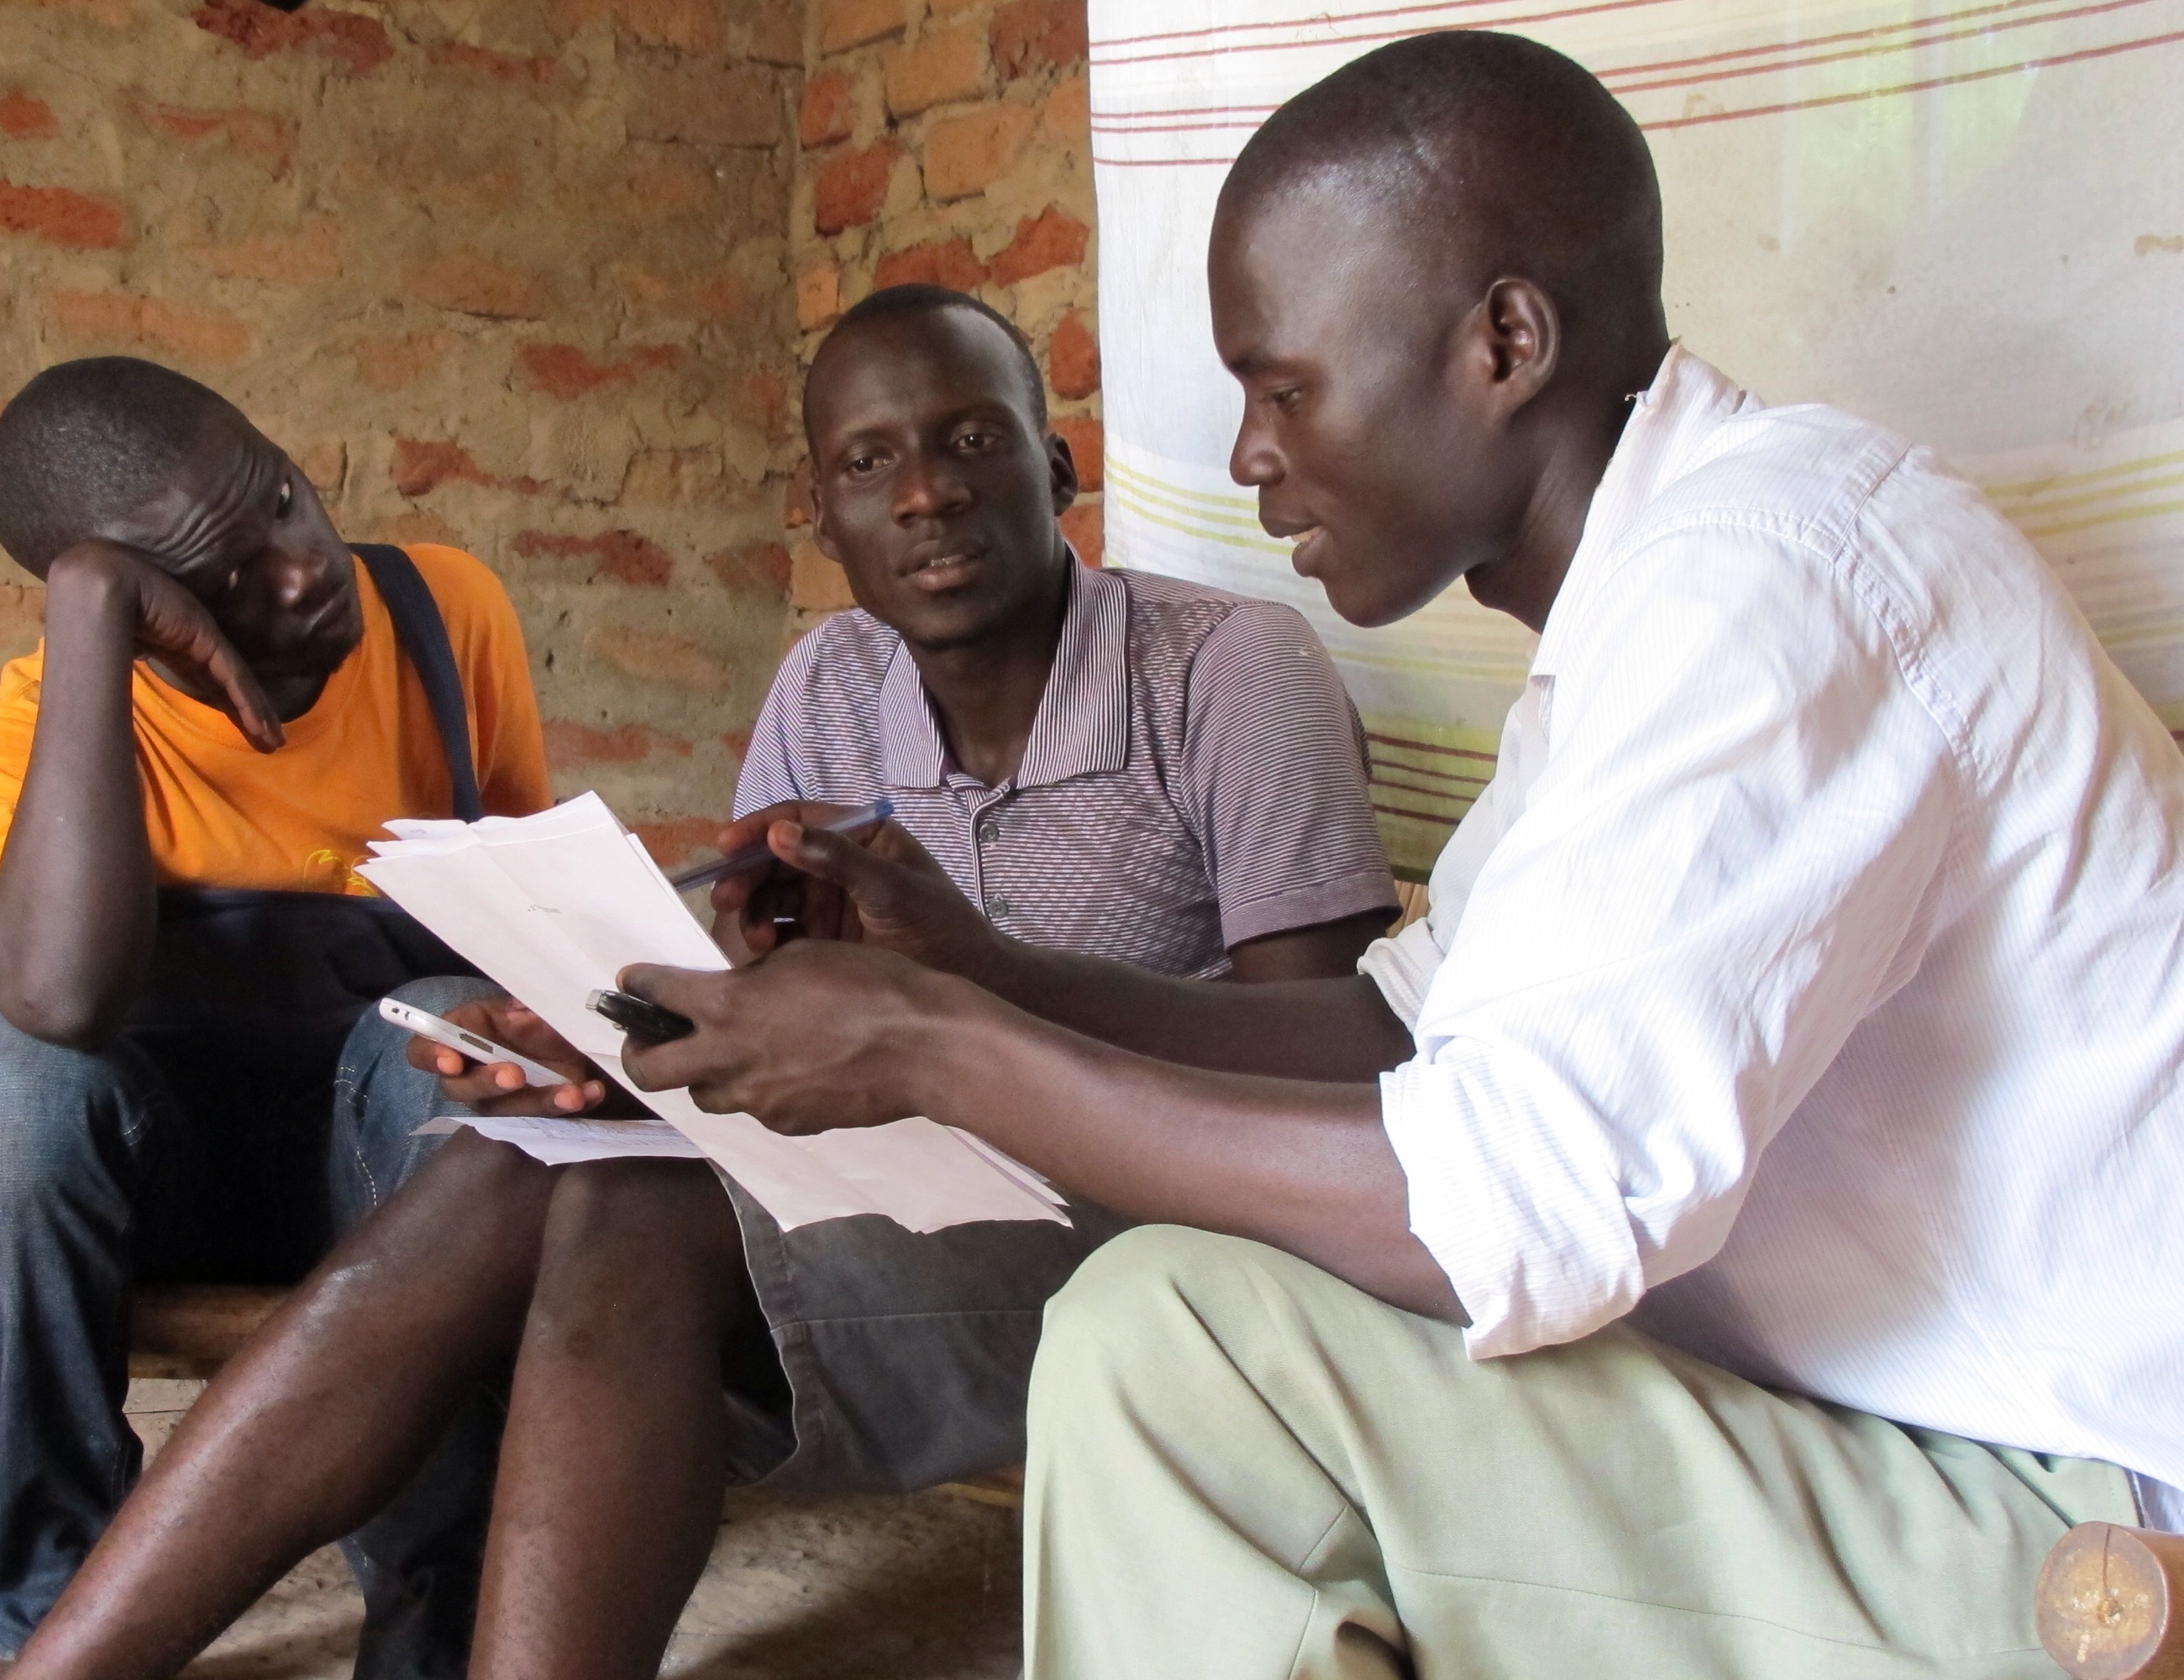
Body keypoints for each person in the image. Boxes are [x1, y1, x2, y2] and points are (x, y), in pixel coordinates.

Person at [588, 32, 2184, 1680]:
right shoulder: (1649, 610)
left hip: (2079, 1502)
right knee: (1167, 1320)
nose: (1249, 455)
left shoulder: (1768, 581)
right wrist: (981, 971)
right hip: (1877, 1441)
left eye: (1285, 387)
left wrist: (938, 1046)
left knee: (1183, 1343)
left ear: (1504, 343)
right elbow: (1391, 1026)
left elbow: (1504, 1211)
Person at [0, 283, 1403, 1680]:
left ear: (1056, 467)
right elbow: (773, 1015)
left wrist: (977, 982)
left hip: (1141, 1209)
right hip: (891, 1180)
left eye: (971, 442)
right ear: (825, 518)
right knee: (509, 1161)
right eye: (870, 463)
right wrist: (601, 1050)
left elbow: (1325, 1074)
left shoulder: (1228, 673)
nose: (925, 494)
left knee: (634, 1218)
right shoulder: (829, 685)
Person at [0, 356, 552, 1677]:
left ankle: (437, 1614)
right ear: (139, 611)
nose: (300, 567)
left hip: (394, 1185)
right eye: (221, 579)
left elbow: (521, 919)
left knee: (453, 1025)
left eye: (279, 497)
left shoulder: (444, 616)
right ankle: (60, 1621)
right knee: (14, 1092)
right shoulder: (24, 734)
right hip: (149, 1191)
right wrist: (89, 616)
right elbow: (61, 999)